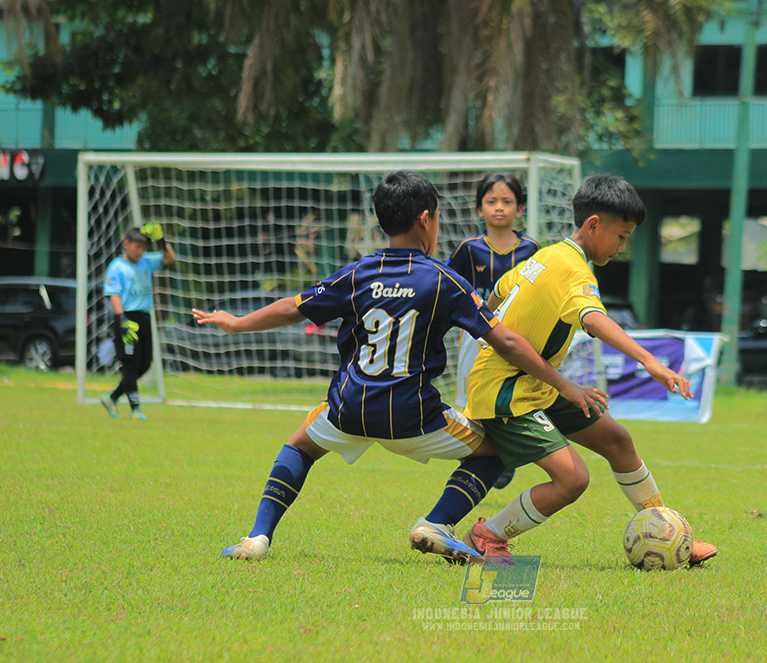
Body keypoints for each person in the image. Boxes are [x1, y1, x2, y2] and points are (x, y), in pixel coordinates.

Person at [194, 170, 606, 562]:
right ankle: (437, 522)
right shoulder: (443, 280)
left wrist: (237, 323)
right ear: (426, 219)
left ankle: (258, 536)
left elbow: (292, 308)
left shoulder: (357, 273)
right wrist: (564, 384)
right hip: (415, 417)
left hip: (351, 407)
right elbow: (509, 342)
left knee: (300, 446)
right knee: (498, 451)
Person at [456, 173, 718, 566]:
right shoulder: (573, 270)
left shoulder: (544, 256)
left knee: (617, 440)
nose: (622, 247)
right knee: (573, 479)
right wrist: (649, 361)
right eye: (621, 236)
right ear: (594, 225)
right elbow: (593, 319)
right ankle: (488, 535)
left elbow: (496, 293)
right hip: (506, 392)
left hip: (533, 383)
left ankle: (665, 531)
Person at [447, 173, 539, 489]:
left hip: (517, 337)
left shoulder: (532, 249)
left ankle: (504, 455)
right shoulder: (468, 249)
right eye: (491, 201)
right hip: (475, 339)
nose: (499, 207)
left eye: (507, 201)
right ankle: (477, 461)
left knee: (510, 397)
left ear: (520, 208)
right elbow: (448, 288)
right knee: (472, 403)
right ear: (479, 208)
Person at [101, 223, 176, 420]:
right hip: (127, 318)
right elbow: (114, 295)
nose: (141, 251)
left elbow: (170, 258)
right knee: (130, 364)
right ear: (127, 243)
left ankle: (112, 398)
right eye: (137, 247)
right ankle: (136, 409)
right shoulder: (116, 266)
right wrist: (122, 321)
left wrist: (161, 240)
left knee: (145, 363)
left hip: (144, 317)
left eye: (144, 248)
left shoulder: (146, 262)